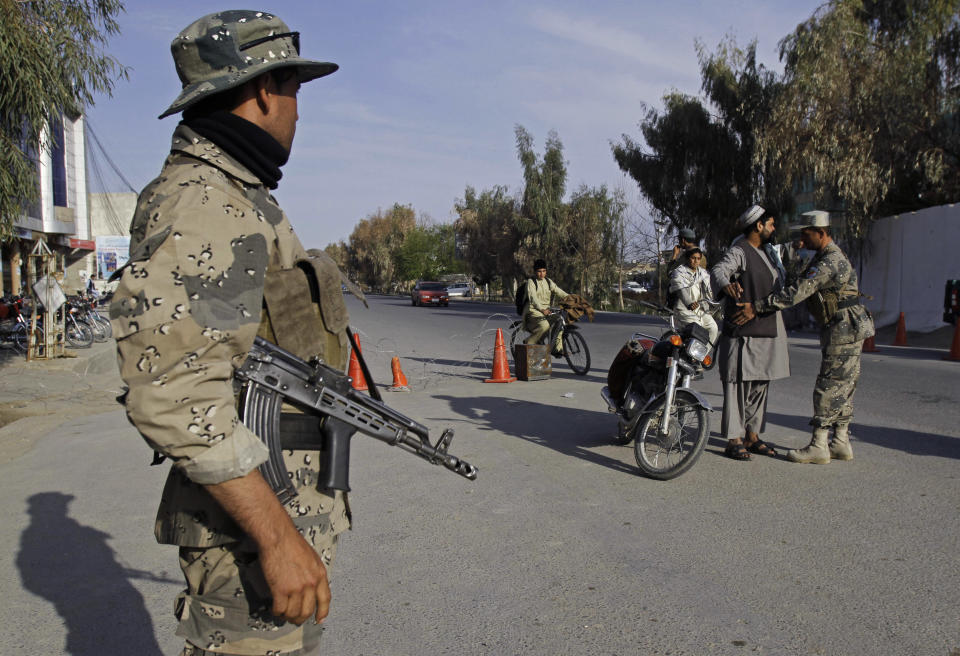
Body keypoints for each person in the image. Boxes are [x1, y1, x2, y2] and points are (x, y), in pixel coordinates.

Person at [109, 11, 350, 655]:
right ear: (264, 91)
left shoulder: (240, 196)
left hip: (270, 517)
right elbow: (173, 394)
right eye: (294, 90)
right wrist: (276, 538)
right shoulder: (204, 202)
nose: (298, 111)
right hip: (248, 535)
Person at [732, 210, 875, 464]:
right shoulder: (825, 256)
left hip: (843, 329)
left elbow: (796, 292)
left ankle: (819, 444)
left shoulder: (829, 261)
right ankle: (840, 442)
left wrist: (757, 306)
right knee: (844, 383)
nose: (802, 238)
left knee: (829, 384)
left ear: (820, 233)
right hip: (848, 327)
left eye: (806, 234)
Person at [710, 205, 790, 461]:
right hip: (743, 330)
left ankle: (752, 435)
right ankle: (734, 438)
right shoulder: (740, 250)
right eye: (771, 224)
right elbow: (718, 271)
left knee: (760, 384)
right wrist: (727, 285)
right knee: (737, 385)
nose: (773, 228)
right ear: (758, 225)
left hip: (767, 327)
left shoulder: (767, 253)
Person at [668, 247, 718, 348]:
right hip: (684, 308)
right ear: (687, 259)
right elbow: (680, 289)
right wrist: (689, 302)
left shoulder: (703, 273)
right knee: (697, 329)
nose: (696, 261)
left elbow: (711, 289)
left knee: (713, 328)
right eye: (693, 258)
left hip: (700, 308)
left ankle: (701, 356)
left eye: (698, 258)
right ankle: (689, 354)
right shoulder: (679, 272)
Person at [522, 258, 568, 355]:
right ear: (535, 272)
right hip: (533, 310)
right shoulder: (531, 282)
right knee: (545, 325)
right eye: (539, 271)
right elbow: (533, 298)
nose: (542, 273)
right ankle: (529, 342)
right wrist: (542, 309)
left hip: (546, 310)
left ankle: (557, 349)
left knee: (560, 321)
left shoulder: (548, 281)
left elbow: (557, 290)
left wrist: (570, 298)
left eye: (544, 271)